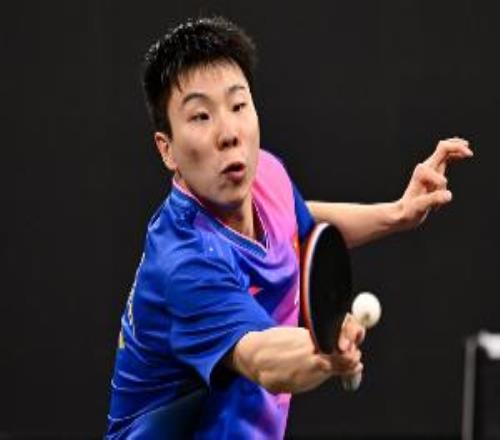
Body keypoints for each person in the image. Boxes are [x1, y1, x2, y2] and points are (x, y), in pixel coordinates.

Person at [106, 16, 472, 439]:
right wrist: (326, 346)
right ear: (167, 149)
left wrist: (397, 213)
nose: (229, 133)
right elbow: (262, 358)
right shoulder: (184, 263)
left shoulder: (266, 176)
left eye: (238, 105)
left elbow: (297, 226)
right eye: (201, 116)